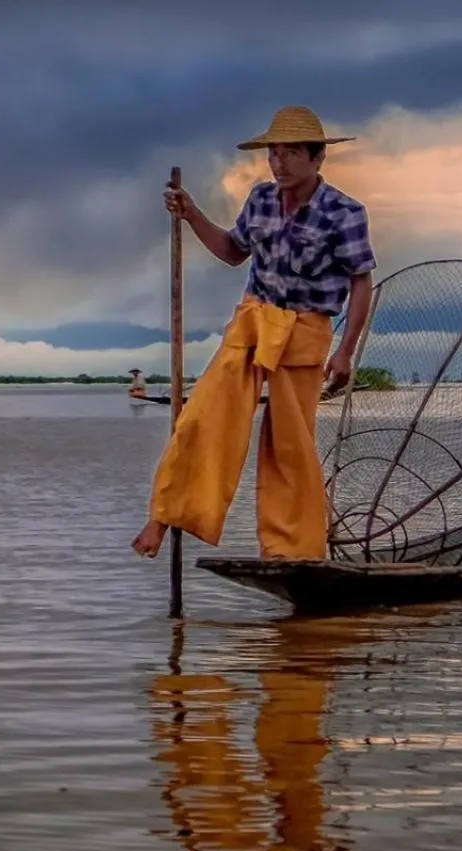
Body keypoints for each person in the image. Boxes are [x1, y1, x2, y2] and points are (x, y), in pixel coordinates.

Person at [132, 105, 376, 561]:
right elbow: (232, 251)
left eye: (291, 153)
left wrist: (346, 352)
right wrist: (191, 214)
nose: (279, 163)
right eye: (273, 153)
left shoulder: (344, 212)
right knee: (204, 416)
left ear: (317, 157)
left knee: (288, 445)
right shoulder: (261, 199)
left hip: (305, 329)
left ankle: (292, 551)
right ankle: (166, 514)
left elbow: (361, 282)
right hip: (253, 320)